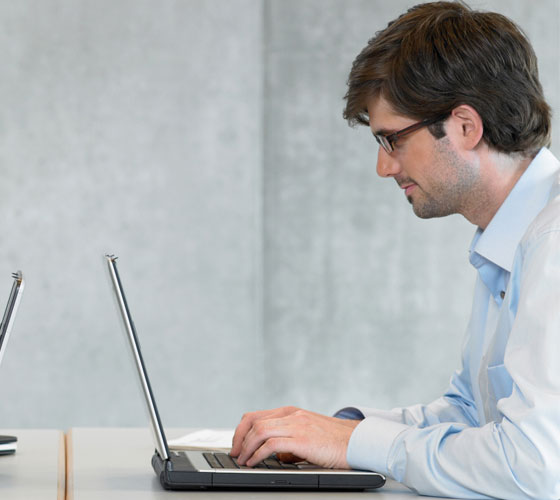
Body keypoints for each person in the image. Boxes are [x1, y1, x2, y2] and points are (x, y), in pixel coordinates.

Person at [228, 2, 559, 499]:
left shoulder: (552, 244)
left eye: (392, 140)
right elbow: (471, 413)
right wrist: (336, 431)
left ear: (465, 127)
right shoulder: (510, 239)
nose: (384, 169)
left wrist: (360, 444)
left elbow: (534, 465)